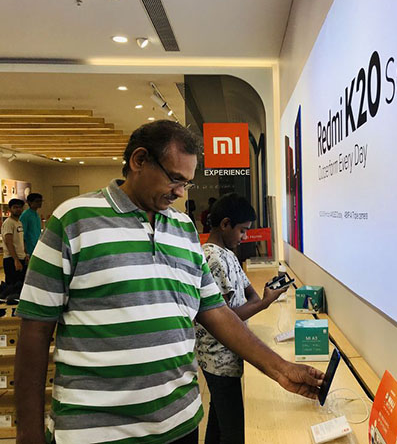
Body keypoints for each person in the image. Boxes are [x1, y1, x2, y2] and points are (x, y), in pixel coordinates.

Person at [14, 120, 323, 444]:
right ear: (139, 160)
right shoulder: (73, 220)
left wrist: (281, 369)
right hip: (96, 433)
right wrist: (28, 433)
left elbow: (217, 312)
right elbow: (35, 331)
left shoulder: (184, 229)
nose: (180, 192)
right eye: (175, 179)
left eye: (186, 183)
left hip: (179, 425)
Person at [196, 193, 288, 444]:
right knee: (233, 431)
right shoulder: (212, 259)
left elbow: (251, 295)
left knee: (219, 421)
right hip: (218, 358)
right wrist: (264, 303)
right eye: (242, 231)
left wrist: (262, 300)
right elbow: (222, 319)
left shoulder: (229, 255)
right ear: (225, 224)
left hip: (232, 352)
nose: (245, 237)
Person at [1, 198, 27, 286]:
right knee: (12, 286)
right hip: (11, 259)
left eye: (20, 207)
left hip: (21, 258)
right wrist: (16, 260)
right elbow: (9, 242)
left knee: (20, 285)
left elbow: (20, 240)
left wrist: (25, 254)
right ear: (10, 209)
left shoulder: (19, 222)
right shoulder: (9, 223)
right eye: (15, 207)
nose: (18, 209)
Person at [20, 192, 43, 257]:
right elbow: (22, 234)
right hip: (29, 247)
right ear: (29, 202)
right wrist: (25, 250)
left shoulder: (36, 215)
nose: (40, 203)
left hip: (37, 246)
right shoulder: (25, 215)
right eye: (37, 201)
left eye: (41, 201)